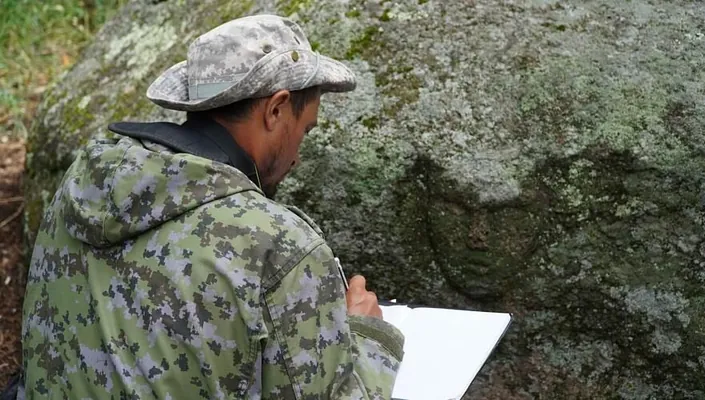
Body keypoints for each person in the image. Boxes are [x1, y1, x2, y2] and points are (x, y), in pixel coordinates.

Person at [19, 14, 404, 399]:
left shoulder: (81, 186)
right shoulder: (280, 247)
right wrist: (367, 337)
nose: (297, 158)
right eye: (305, 130)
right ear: (276, 109)